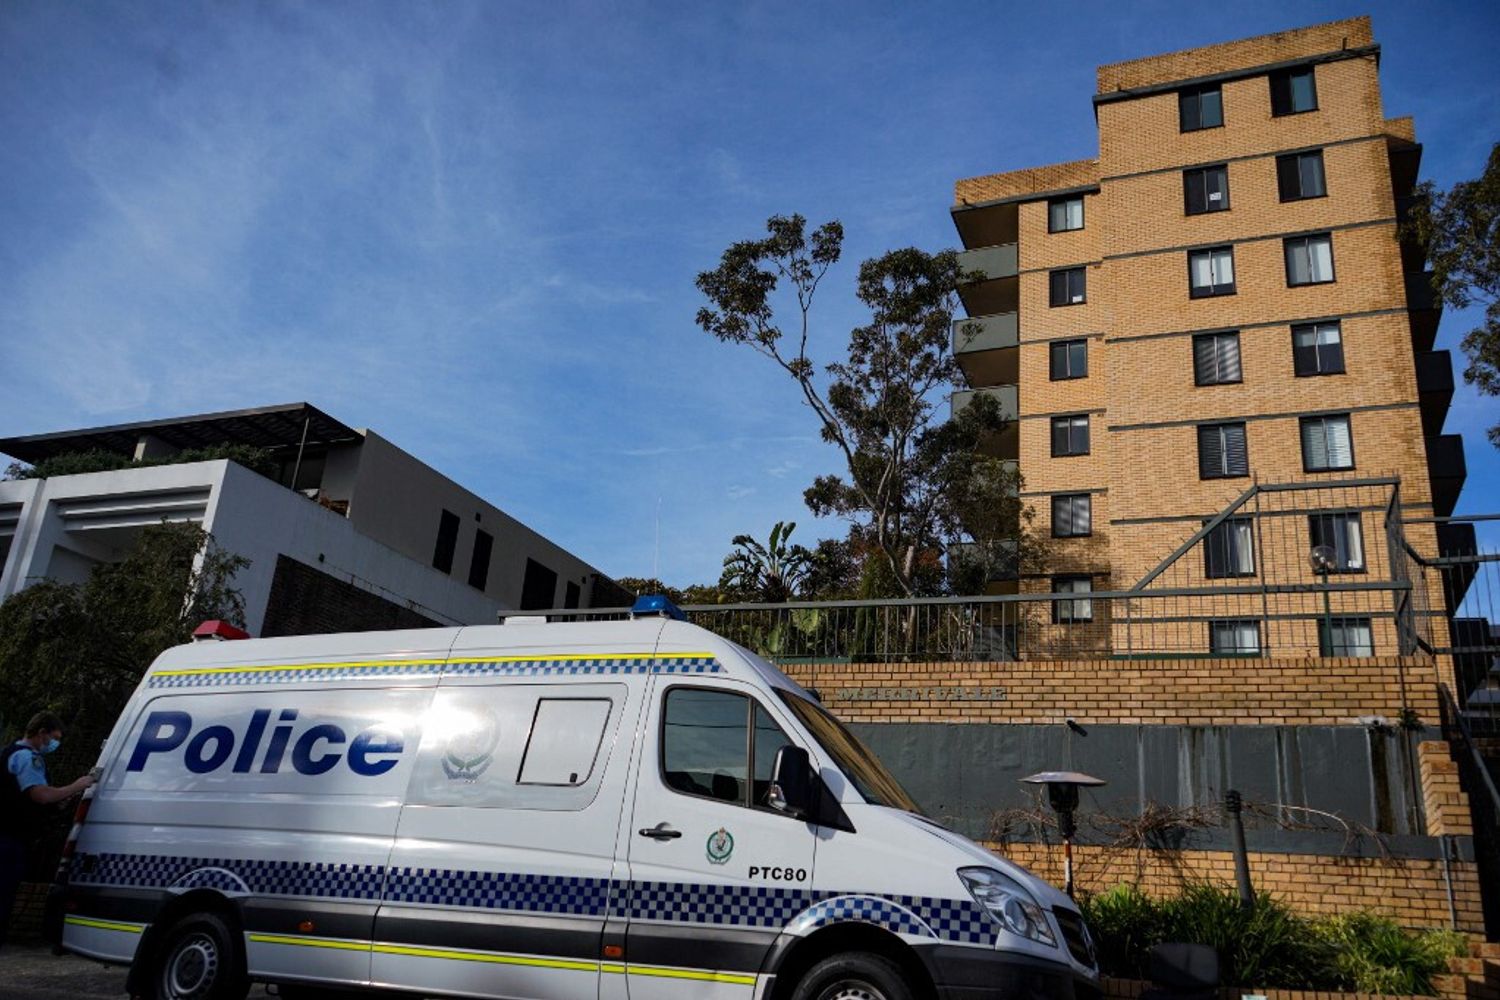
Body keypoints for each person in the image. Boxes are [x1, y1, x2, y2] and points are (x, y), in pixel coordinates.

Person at [1, 712, 95, 949]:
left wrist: (60, 800)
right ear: (41, 732)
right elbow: (41, 795)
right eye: (53, 738)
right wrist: (77, 785)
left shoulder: (10, 752)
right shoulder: (26, 758)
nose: (53, 744)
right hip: (9, 840)